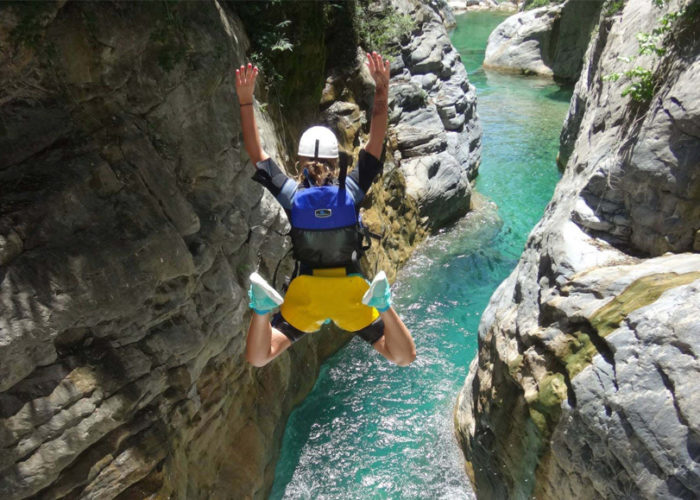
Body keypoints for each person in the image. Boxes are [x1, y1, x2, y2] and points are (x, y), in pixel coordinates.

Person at [236, 52, 416, 368]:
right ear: (336, 161)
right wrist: (382, 89)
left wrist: (245, 101)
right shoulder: (351, 190)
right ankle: (384, 305)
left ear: (299, 161)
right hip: (352, 290)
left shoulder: (293, 196)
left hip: (306, 293)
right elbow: (375, 144)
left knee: (259, 357)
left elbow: (257, 155)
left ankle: (263, 310)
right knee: (402, 356)